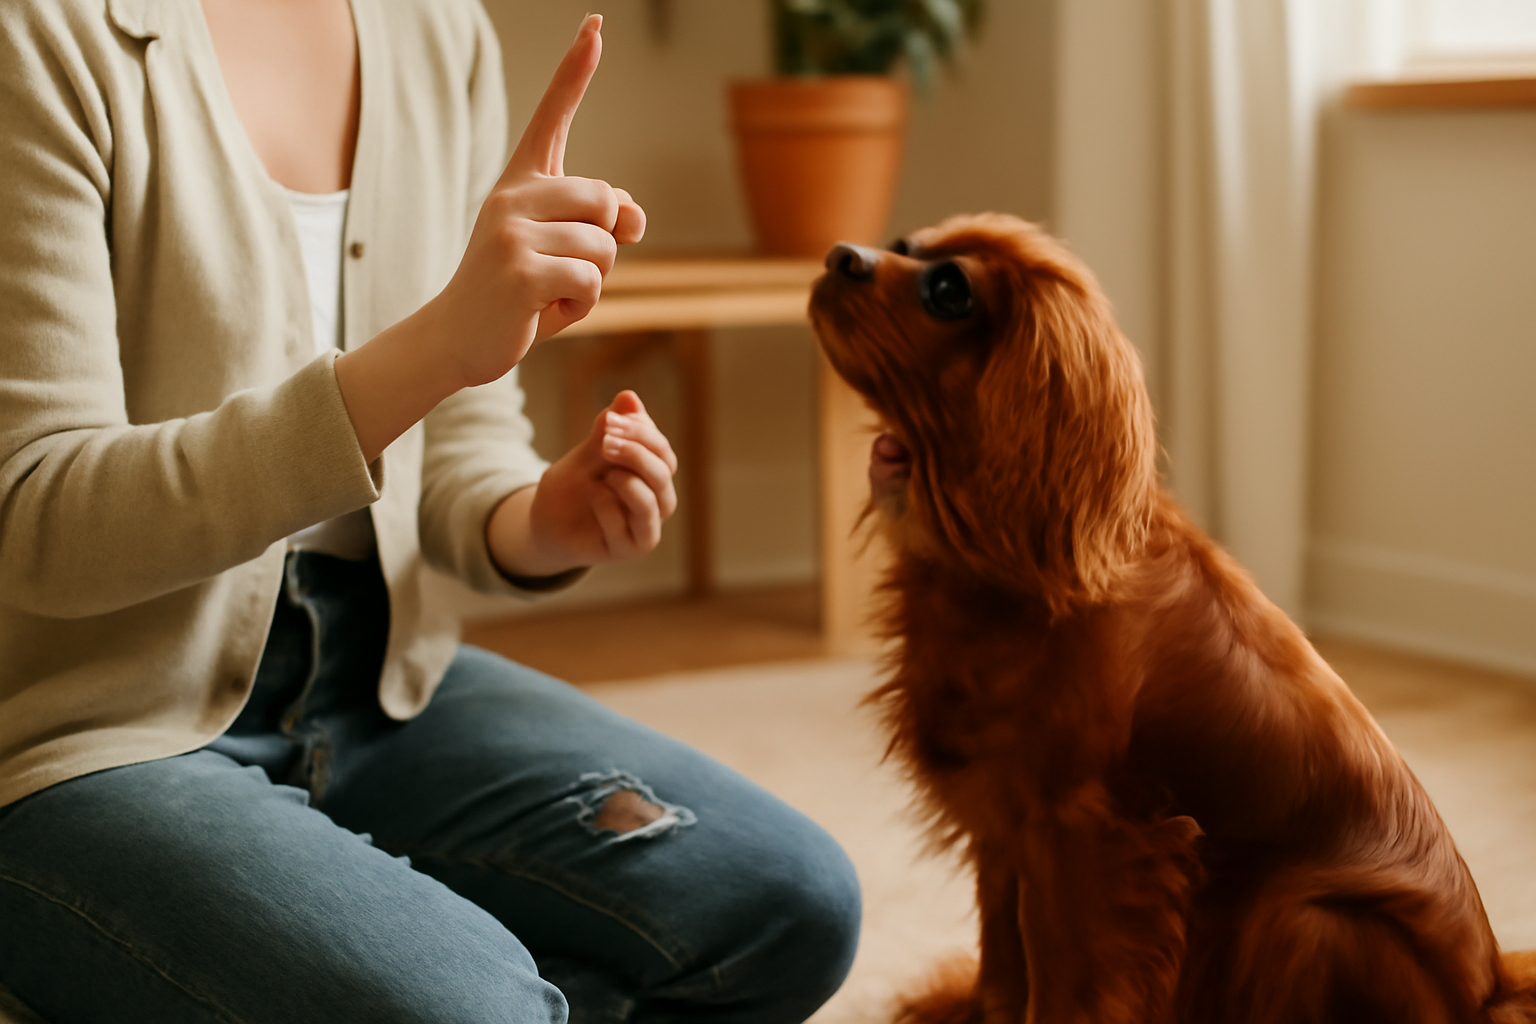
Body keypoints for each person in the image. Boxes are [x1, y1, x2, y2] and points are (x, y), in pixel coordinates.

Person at [0, 2, 861, 1021]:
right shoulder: (41, 33)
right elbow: (39, 516)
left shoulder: (435, 29)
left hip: (378, 680)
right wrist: (435, 347)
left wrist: (544, 517)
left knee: (786, 904)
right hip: (96, 728)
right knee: (473, 1005)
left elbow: (458, 441)